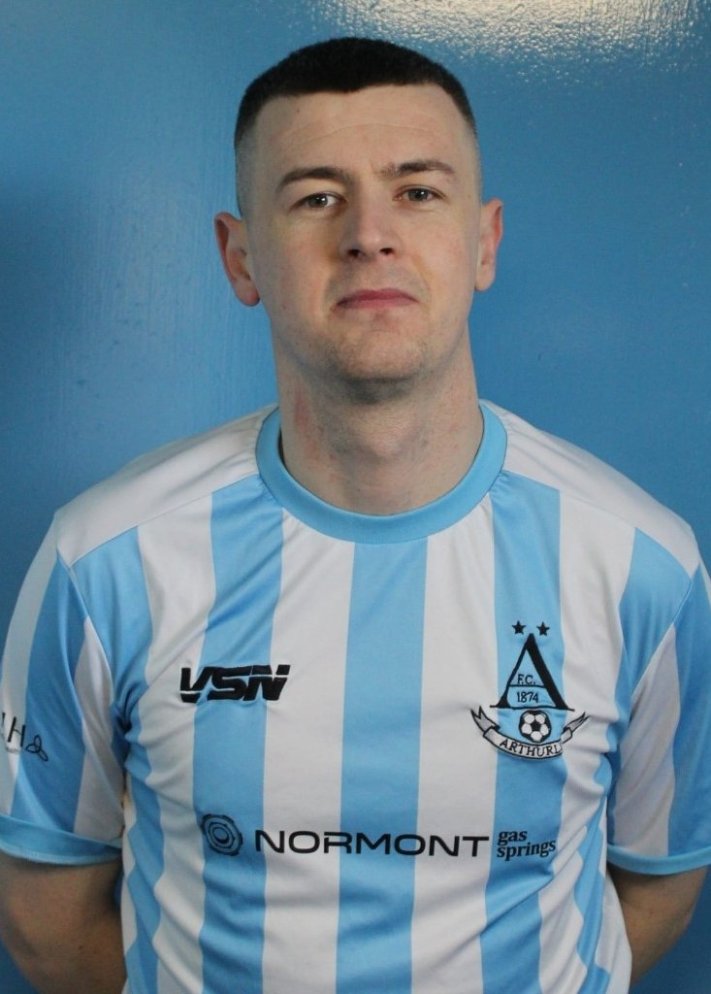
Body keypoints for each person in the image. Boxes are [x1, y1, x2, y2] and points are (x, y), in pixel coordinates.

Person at [0, 36, 709, 994]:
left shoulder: (641, 566)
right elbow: (45, 916)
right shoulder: (105, 561)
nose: (369, 234)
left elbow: (658, 883)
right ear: (240, 256)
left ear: (483, 243)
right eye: (315, 198)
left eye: (417, 191)